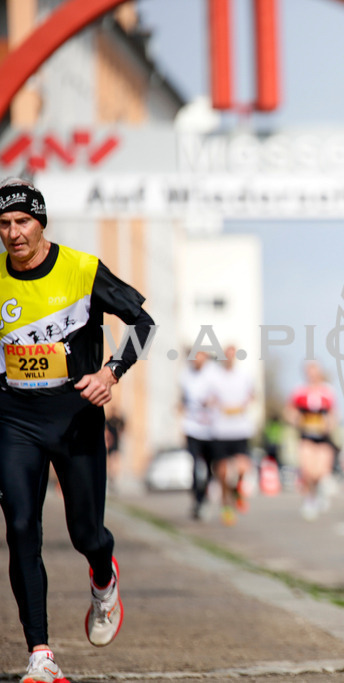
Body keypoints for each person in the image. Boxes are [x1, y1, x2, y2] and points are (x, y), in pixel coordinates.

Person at [0, 178, 154, 683]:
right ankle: (40, 655)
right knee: (21, 526)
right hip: (15, 417)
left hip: (75, 414)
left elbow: (143, 324)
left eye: (23, 221)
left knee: (86, 532)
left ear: (41, 223)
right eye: (4, 224)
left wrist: (110, 373)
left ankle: (104, 578)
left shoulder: (82, 269)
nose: (14, 233)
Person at [208, 345, 256, 526]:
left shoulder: (244, 376)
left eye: (232, 355)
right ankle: (226, 506)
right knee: (223, 473)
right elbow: (208, 398)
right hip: (220, 430)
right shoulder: (214, 377)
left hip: (240, 430)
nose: (229, 358)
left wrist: (244, 404)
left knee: (243, 467)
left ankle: (237, 491)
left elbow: (253, 395)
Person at [287, 360, 337, 520]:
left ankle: (319, 492)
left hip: (323, 437)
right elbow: (289, 411)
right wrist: (296, 420)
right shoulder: (299, 390)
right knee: (307, 471)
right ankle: (309, 499)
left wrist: (329, 425)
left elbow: (334, 413)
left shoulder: (328, 391)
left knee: (320, 472)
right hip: (306, 435)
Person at [180, 349, 216, 520]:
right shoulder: (185, 375)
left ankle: (205, 495)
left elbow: (221, 395)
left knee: (209, 467)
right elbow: (182, 398)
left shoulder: (214, 374)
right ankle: (197, 497)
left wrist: (212, 401)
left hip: (211, 429)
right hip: (192, 427)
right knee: (194, 465)